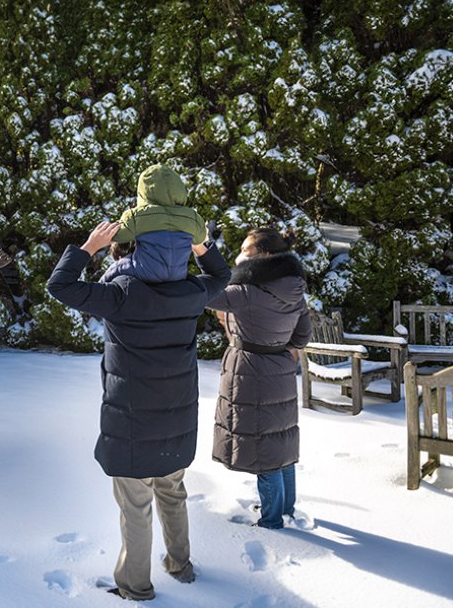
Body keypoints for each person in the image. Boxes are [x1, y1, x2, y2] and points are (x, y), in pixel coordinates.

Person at [47, 220, 230, 601]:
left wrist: (88, 246)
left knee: (136, 507)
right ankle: (181, 565)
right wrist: (202, 245)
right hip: (176, 421)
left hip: (131, 425)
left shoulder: (120, 294)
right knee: (173, 492)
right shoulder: (191, 291)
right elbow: (222, 275)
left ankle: (135, 586)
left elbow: (59, 286)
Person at [206, 227, 311, 529]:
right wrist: (285, 349)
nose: (241, 256)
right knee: (280, 442)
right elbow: (302, 334)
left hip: (252, 371)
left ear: (264, 255)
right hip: (280, 370)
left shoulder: (247, 292)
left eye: (246, 250)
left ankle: (271, 519)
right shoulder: (293, 287)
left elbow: (207, 294)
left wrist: (203, 251)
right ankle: (285, 506)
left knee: (263, 450)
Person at [101, 164, 206, 284]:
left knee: (116, 268)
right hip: (178, 275)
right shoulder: (192, 217)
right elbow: (200, 238)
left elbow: (119, 236)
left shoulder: (136, 216)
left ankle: (97, 296)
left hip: (146, 271)